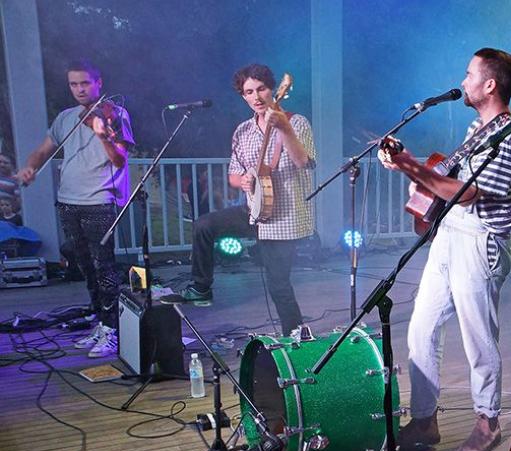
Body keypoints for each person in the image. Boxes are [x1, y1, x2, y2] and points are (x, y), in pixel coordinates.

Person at [379, 47, 511, 451]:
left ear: (489, 84)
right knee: (420, 327)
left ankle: (488, 419)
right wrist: (415, 175)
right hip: (450, 235)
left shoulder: (509, 137)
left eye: (469, 75)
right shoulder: (476, 130)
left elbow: (465, 195)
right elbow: (452, 179)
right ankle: (425, 421)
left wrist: (411, 167)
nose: (462, 82)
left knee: (479, 336)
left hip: (480, 242)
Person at [161, 64, 315, 339]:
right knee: (204, 225)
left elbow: (303, 162)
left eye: (261, 89)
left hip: (284, 217)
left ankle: (296, 338)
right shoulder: (242, 131)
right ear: (242, 96)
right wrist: (242, 180)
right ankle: (201, 287)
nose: (256, 97)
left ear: (274, 90)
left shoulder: (296, 121)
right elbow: (234, 174)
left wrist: (284, 130)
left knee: (278, 284)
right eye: (249, 92)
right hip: (254, 210)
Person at [17, 60, 133, 358]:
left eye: (85, 83)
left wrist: (103, 135)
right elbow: (44, 150)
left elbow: (120, 160)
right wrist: (30, 167)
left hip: (101, 200)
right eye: (74, 84)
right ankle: (100, 320)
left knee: (104, 267)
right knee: (85, 267)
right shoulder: (66, 117)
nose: (80, 89)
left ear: (98, 83)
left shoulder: (115, 114)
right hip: (69, 200)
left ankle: (113, 330)